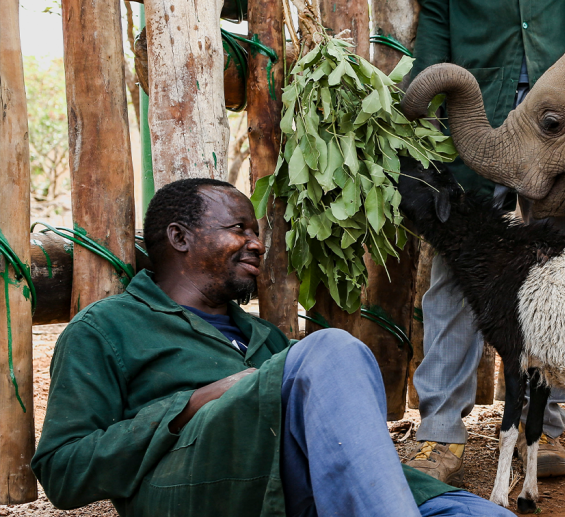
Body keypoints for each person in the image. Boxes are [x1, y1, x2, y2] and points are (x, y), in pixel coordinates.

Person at [31, 178, 513, 517]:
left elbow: (339, 453)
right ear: (179, 237)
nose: (257, 243)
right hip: (190, 493)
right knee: (332, 350)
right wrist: (189, 405)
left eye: (256, 231)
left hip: (285, 489)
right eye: (238, 228)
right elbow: (63, 470)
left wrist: (434, 499)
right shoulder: (106, 328)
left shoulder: (266, 339)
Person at [405, 0, 565, 485]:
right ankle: (439, 432)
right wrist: (422, 89)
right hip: (473, 113)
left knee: (562, 274)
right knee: (459, 269)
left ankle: (543, 428)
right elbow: (434, 11)